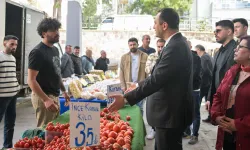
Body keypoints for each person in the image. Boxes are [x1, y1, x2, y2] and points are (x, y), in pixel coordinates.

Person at [109, 8, 194, 150]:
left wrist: (125, 98)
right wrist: (136, 86)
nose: (153, 26)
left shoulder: (175, 46)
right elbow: (159, 76)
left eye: (155, 23)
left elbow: (156, 80)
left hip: (169, 115)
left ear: (164, 25)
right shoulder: (175, 44)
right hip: (169, 115)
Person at [28, 18, 70, 128]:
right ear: (44, 33)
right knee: (45, 131)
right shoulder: (37, 52)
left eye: (57, 30)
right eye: (53, 30)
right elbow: (31, 80)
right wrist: (46, 99)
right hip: (44, 96)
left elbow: (57, 73)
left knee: (54, 130)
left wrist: (64, 91)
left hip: (55, 95)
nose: (57, 33)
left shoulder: (55, 50)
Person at [211, 36, 250, 150]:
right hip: (226, 133)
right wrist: (217, 116)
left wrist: (238, 125)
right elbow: (218, 95)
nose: (235, 49)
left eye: (240, 47)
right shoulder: (232, 71)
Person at [204, 20, 237, 123]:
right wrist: (210, 98)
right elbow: (213, 76)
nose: (215, 33)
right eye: (215, 31)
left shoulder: (237, 50)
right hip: (219, 100)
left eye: (218, 31)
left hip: (232, 101)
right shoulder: (218, 52)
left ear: (229, 31)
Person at [119, 37, 148, 115]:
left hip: (139, 86)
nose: (132, 46)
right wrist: (123, 86)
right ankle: (128, 126)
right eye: (130, 45)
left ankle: (139, 125)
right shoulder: (124, 57)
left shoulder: (145, 56)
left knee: (140, 108)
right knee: (128, 108)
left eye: (134, 44)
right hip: (128, 87)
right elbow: (121, 72)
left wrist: (145, 85)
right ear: (128, 46)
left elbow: (147, 72)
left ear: (138, 44)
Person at [0, 35, 20, 149]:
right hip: (2, 96)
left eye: (16, 45)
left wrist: (16, 87)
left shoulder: (12, 58)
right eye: (12, 44)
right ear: (4, 43)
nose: (14, 47)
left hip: (13, 95)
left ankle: (7, 146)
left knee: (10, 123)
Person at [145, 38, 165, 141]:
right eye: (159, 46)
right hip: (152, 86)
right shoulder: (152, 56)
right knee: (152, 108)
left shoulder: (168, 56)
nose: (160, 48)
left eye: (162, 46)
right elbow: (147, 69)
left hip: (164, 88)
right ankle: (152, 129)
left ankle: (160, 130)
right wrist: (157, 64)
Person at [184, 40, 201, 145]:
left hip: (193, 90)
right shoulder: (180, 57)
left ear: (190, 46)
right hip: (183, 90)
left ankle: (194, 135)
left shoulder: (195, 57)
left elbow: (193, 74)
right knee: (185, 112)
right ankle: (186, 132)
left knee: (195, 114)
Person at [195, 44, 213, 122]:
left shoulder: (203, 57)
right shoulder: (209, 56)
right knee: (208, 101)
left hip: (204, 83)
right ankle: (211, 117)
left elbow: (204, 70)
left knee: (198, 103)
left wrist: (200, 80)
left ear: (199, 50)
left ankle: (196, 118)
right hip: (209, 83)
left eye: (196, 51)